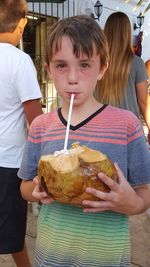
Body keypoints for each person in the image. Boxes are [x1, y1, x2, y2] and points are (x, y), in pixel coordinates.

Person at [18, 15, 150, 267]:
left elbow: (145, 193)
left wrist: (130, 203)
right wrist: (35, 191)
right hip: (52, 257)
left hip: (106, 258)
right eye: (61, 65)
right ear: (47, 69)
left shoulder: (126, 125)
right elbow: (24, 187)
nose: (73, 77)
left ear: (102, 68)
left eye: (85, 65)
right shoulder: (40, 126)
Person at [0, 0, 43, 267]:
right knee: (13, 235)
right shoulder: (20, 60)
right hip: (11, 162)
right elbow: (35, 122)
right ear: (23, 22)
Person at [94, 11, 150, 145]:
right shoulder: (137, 63)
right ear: (127, 33)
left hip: (100, 132)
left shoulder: (95, 62)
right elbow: (144, 102)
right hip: (130, 133)